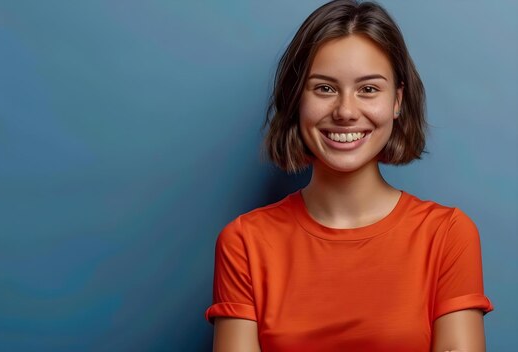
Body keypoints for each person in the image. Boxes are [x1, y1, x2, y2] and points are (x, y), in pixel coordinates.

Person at [204, 0, 494, 351]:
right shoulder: (244, 243)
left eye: (368, 89)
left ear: (397, 101)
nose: (345, 111)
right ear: (297, 100)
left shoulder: (448, 235)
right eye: (324, 88)